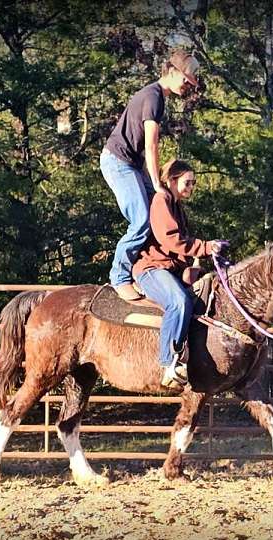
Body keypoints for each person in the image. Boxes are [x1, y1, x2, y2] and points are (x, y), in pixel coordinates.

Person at [100, 49, 201, 301]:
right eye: (185, 80)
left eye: (191, 83)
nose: (187, 86)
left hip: (132, 164)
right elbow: (151, 144)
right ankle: (120, 277)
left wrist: (153, 182)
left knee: (159, 208)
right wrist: (155, 181)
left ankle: (151, 266)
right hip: (118, 162)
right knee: (142, 219)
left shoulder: (158, 97)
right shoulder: (154, 96)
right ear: (171, 71)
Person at [133, 159, 229, 389]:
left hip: (168, 268)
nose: (191, 187)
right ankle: (169, 362)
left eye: (194, 183)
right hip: (152, 269)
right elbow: (170, 239)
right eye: (188, 182)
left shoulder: (175, 205)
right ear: (172, 180)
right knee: (179, 301)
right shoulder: (162, 200)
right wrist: (206, 247)